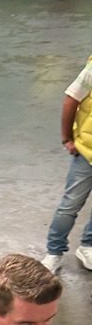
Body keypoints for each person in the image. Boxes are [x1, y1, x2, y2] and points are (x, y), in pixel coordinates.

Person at [41, 56, 92, 275]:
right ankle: (54, 252)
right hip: (87, 152)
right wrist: (67, 138)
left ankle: (88, 246)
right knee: (70, 205)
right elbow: (71, 100)